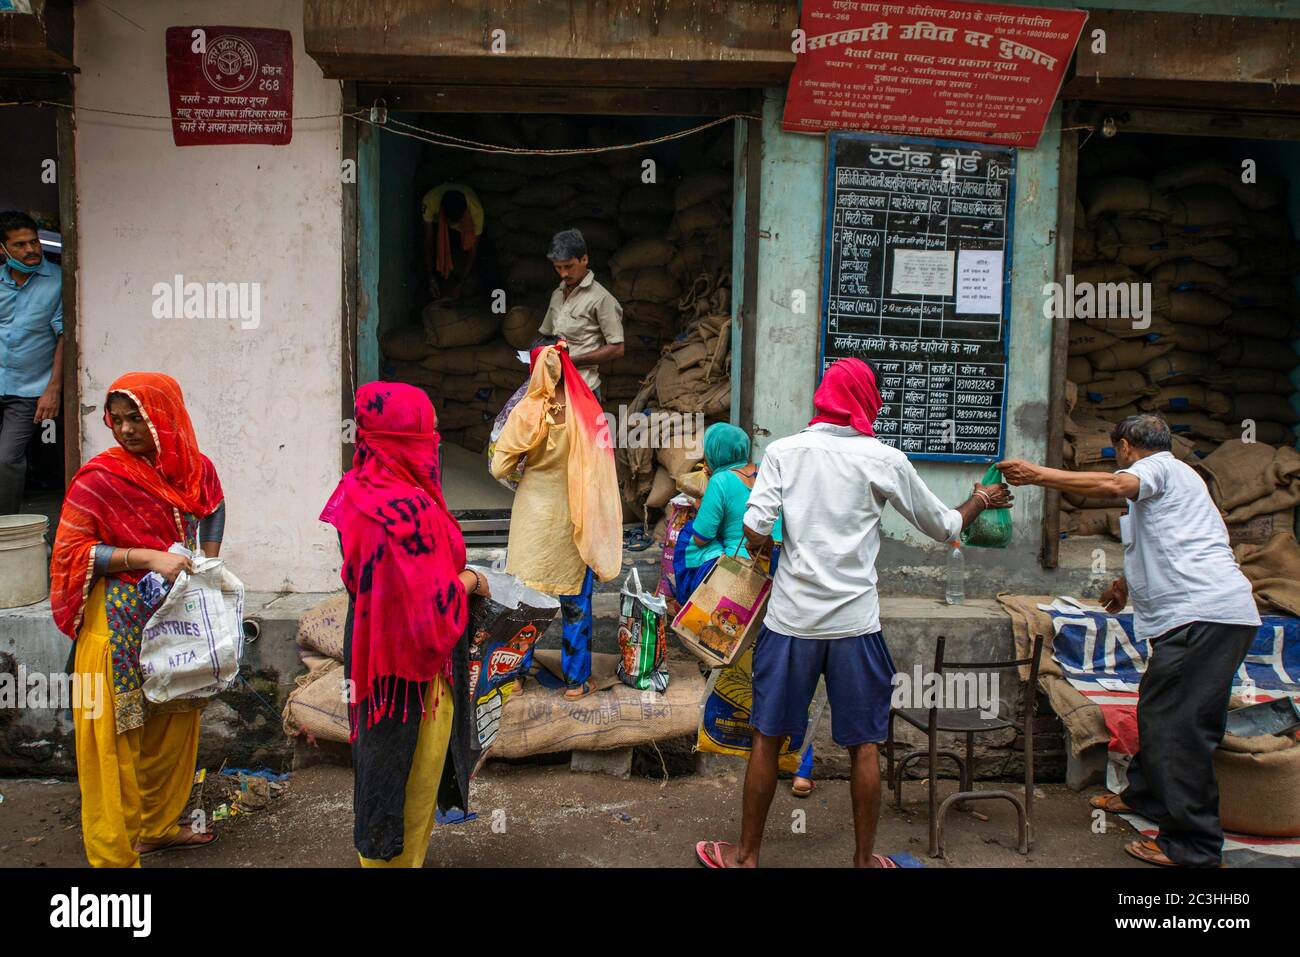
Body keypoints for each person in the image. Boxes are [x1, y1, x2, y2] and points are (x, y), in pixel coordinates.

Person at [695, 357, 1013, 869]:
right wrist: (979, 498)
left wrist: (780, 550)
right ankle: (864, 862)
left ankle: (746, 856)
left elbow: (754, 530)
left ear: (823, 397)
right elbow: (946, 526)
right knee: (865, 745)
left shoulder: (783, 452)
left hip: (791, 623)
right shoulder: (884, 458)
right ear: (868, 403)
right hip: (855, 627)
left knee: (767, 737)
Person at [998, 413, 1260, 868]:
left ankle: (1193, 848)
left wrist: (1038, 475)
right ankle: (1147, 797)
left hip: (1203, 618)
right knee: (1159, 711)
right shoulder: (1181, 483)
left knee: (1182, 730)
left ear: (1123, 448)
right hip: (1208, 617)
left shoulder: (1159, 468)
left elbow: (1115, 487)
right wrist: (1125, 583)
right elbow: (1176, 541)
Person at [49, 373, 225, 867]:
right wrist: (146, 558)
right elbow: (72, 551)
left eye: (137, 418)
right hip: (116, 623)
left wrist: (207, 561)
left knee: (173, 724)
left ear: (165, 419)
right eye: (118, 419)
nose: (125, 429)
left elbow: (213, 504)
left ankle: (156, 827)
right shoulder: (101, 478)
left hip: (176, 620)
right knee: (112, 741)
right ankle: (114, 856)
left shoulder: (193, 467)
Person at [320, 381, 490, 868]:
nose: (434, 445)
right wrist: (470, 580)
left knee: (379, 773)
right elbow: (428, 606)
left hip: (371, 656)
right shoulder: (407, 511)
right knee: (406, 790)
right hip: (412, 674)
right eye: (426, 435)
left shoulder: (356, 489)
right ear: (400, 440)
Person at [490, 342, 622, 699]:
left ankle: (515, 676)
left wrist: (526, 471)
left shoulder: (527, 411)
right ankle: (576, 683)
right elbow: (600, 472)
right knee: (576, 603)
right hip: (573, 517)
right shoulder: (588, 411)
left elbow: (499, 466)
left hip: (533, 519)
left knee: (525, 600)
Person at [0, 210, 63, 514]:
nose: (31, 250)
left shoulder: (58, 281)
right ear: (2, 249)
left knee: (7, 459)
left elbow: (66, 336)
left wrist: (53, 388)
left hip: (28, 389)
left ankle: (7, 530)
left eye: (34, 242)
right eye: (20, 245)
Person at [538, 229, 624, 400]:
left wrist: (572, 361)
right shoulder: (557, 294)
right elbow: (547, 335)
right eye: (558, 268)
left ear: (584, 259)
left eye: (569, 266)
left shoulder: (601, 299)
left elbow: (617, 348)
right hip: (554, 387)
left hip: (584, 389)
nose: (563, 274)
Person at [422, 183, 484, 301]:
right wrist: (431, 278)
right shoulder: (430, 201)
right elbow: (428, 241)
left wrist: (461, 283)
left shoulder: (476, 211)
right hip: (440, 226)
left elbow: (473, 250)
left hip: (466, 228)